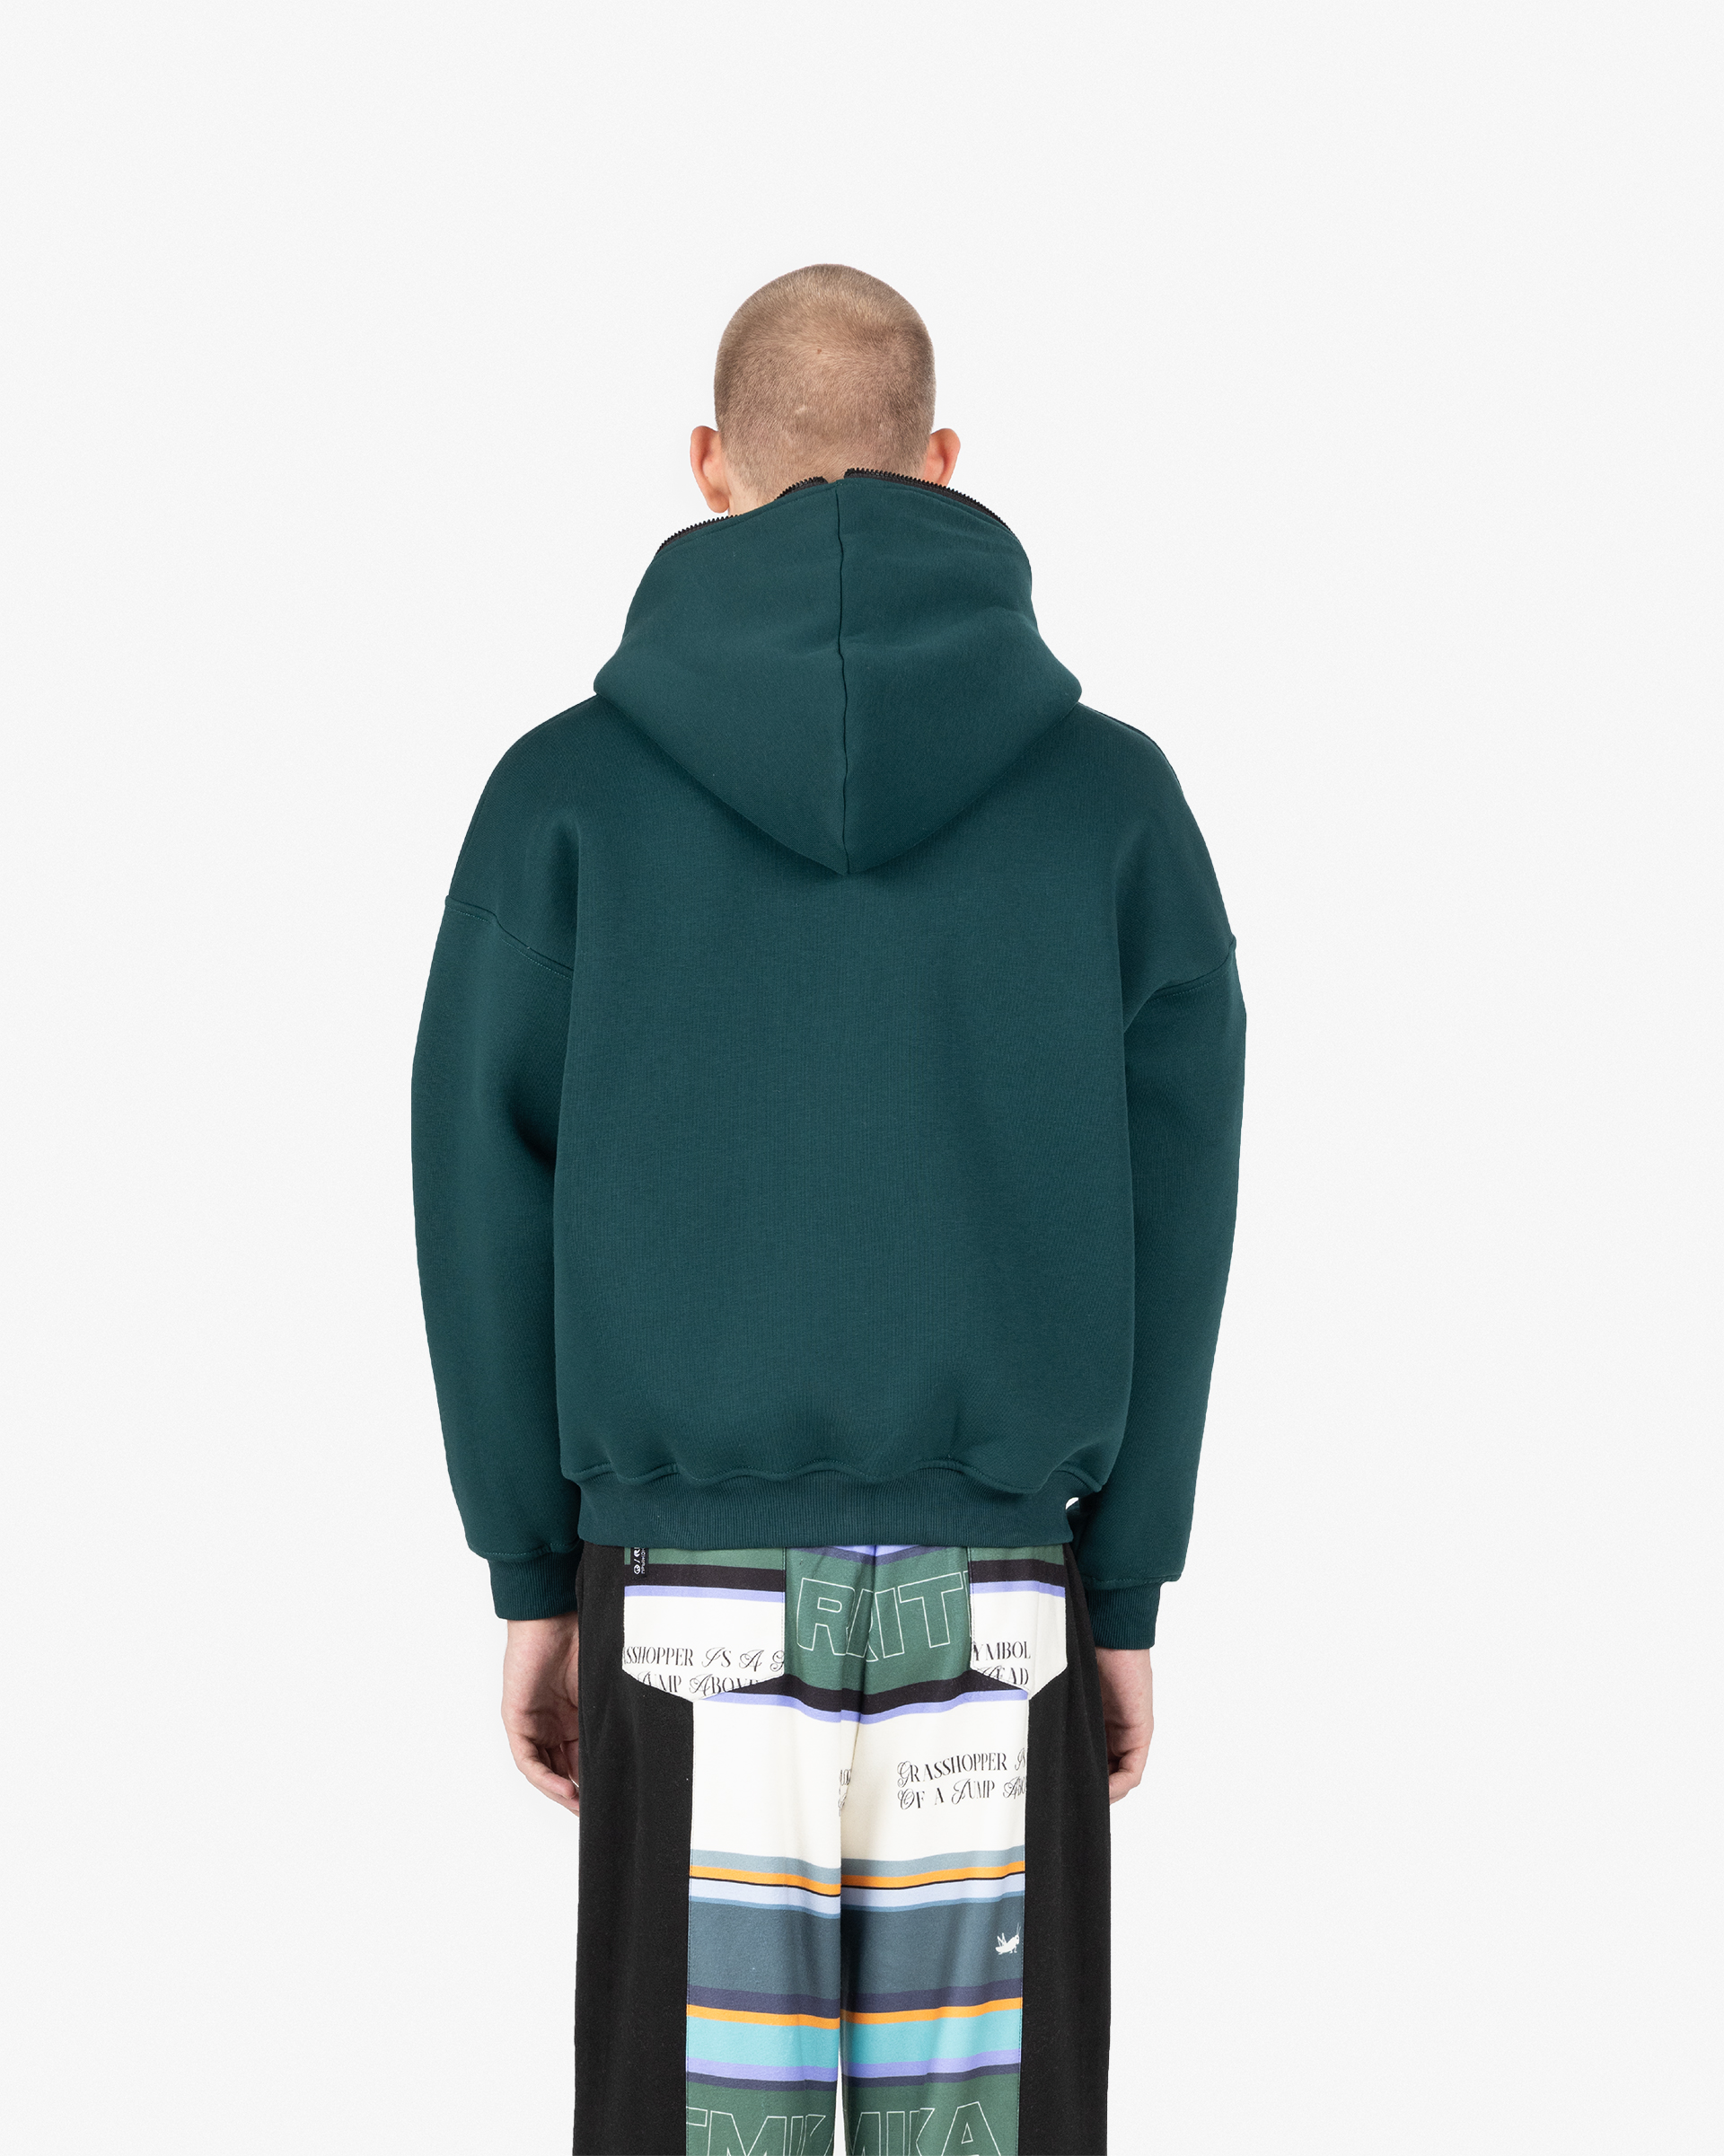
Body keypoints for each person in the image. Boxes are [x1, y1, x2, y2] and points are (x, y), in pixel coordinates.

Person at [412, 263, 1245, 2156]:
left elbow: (475, 1187)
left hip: (677, 1597)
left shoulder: (560, 800)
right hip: (1002, 1601)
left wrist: (532, 1572)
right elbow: (1182, 1208)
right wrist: (1127, 1584)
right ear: (943, 462)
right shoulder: (1115, 807)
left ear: (708, 466)